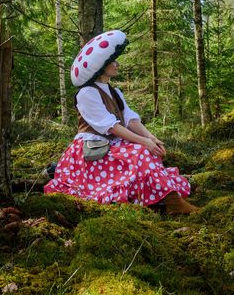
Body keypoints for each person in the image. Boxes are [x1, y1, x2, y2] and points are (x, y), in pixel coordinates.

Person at [44, 30, 198, 214]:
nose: (117, 64)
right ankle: (171, 202)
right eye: (113, 61)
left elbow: (130, 119)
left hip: (110, 145)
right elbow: (111, 126)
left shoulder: (114, 91)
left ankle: (162, 198)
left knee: (147, 152)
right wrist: (144, 142)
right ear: (101, 66)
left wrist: (151, 137)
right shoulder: (87, 93)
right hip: (92, 150)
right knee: (140, 152)